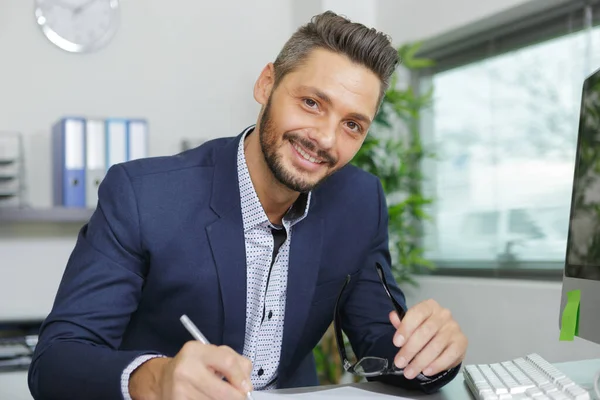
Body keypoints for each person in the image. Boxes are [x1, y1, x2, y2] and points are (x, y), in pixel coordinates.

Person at [28, 10, 468, 400]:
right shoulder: (143, 194)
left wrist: (431, 353)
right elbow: (57, 361)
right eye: (312, 103)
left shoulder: (359, 201)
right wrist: (154, 379)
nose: (326, 139)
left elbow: (380, 345)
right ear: (266, 84)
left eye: (352, 125)